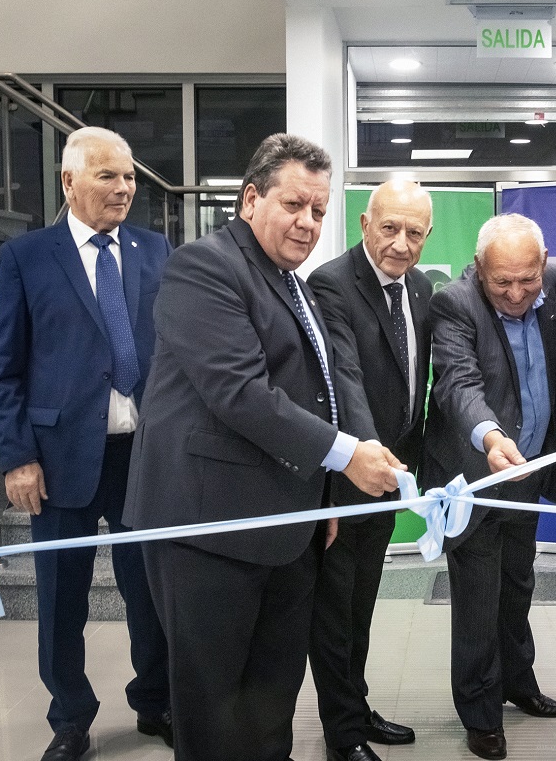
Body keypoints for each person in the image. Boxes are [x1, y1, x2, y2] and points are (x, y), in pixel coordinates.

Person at [122, 133, 405, 761]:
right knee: (214, 710)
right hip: (208, 532)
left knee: (272, 701)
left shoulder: (291, 281)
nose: (308, 223)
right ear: (251, 199)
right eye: (294, 205)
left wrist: (325, 496)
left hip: (286, 529)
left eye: (319, 211)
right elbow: (240, 394)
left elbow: (316, 393)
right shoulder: (206, 266)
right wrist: (346, 457)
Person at [0, 127, 171, 761]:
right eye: (108, 176)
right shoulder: (28, 258)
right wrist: (17, 457)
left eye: (130, 177)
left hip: (142, 456)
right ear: (69, 182)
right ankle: (70, 717)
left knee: (150, 591)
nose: (124, 188)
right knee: (62, 595)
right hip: (58, 460)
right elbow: (0, 369)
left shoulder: (153, 249)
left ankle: (155, 701)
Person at [421, 214, 556, 760]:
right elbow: (458, 384)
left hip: (528, 471)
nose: (515, 293)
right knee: (479, 599)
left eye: (526, 279)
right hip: (475, 474)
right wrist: (489, 436)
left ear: (543, 262)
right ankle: (480, 712)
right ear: (480, 269)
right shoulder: (455, 304)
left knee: (518, 586)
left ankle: (517, 682)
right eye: (501, 281)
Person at [306, 179, 434, 761]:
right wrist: (368, 454)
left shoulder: (424, 288)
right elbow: (346, 379)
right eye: (390, 228)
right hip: (348, 474)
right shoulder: (332, 283)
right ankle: (343, 736)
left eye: (415, 232)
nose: (402, 244)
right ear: (365, 224)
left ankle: (355, 706)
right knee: (334, 610)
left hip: (391, 472)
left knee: (363, 601)